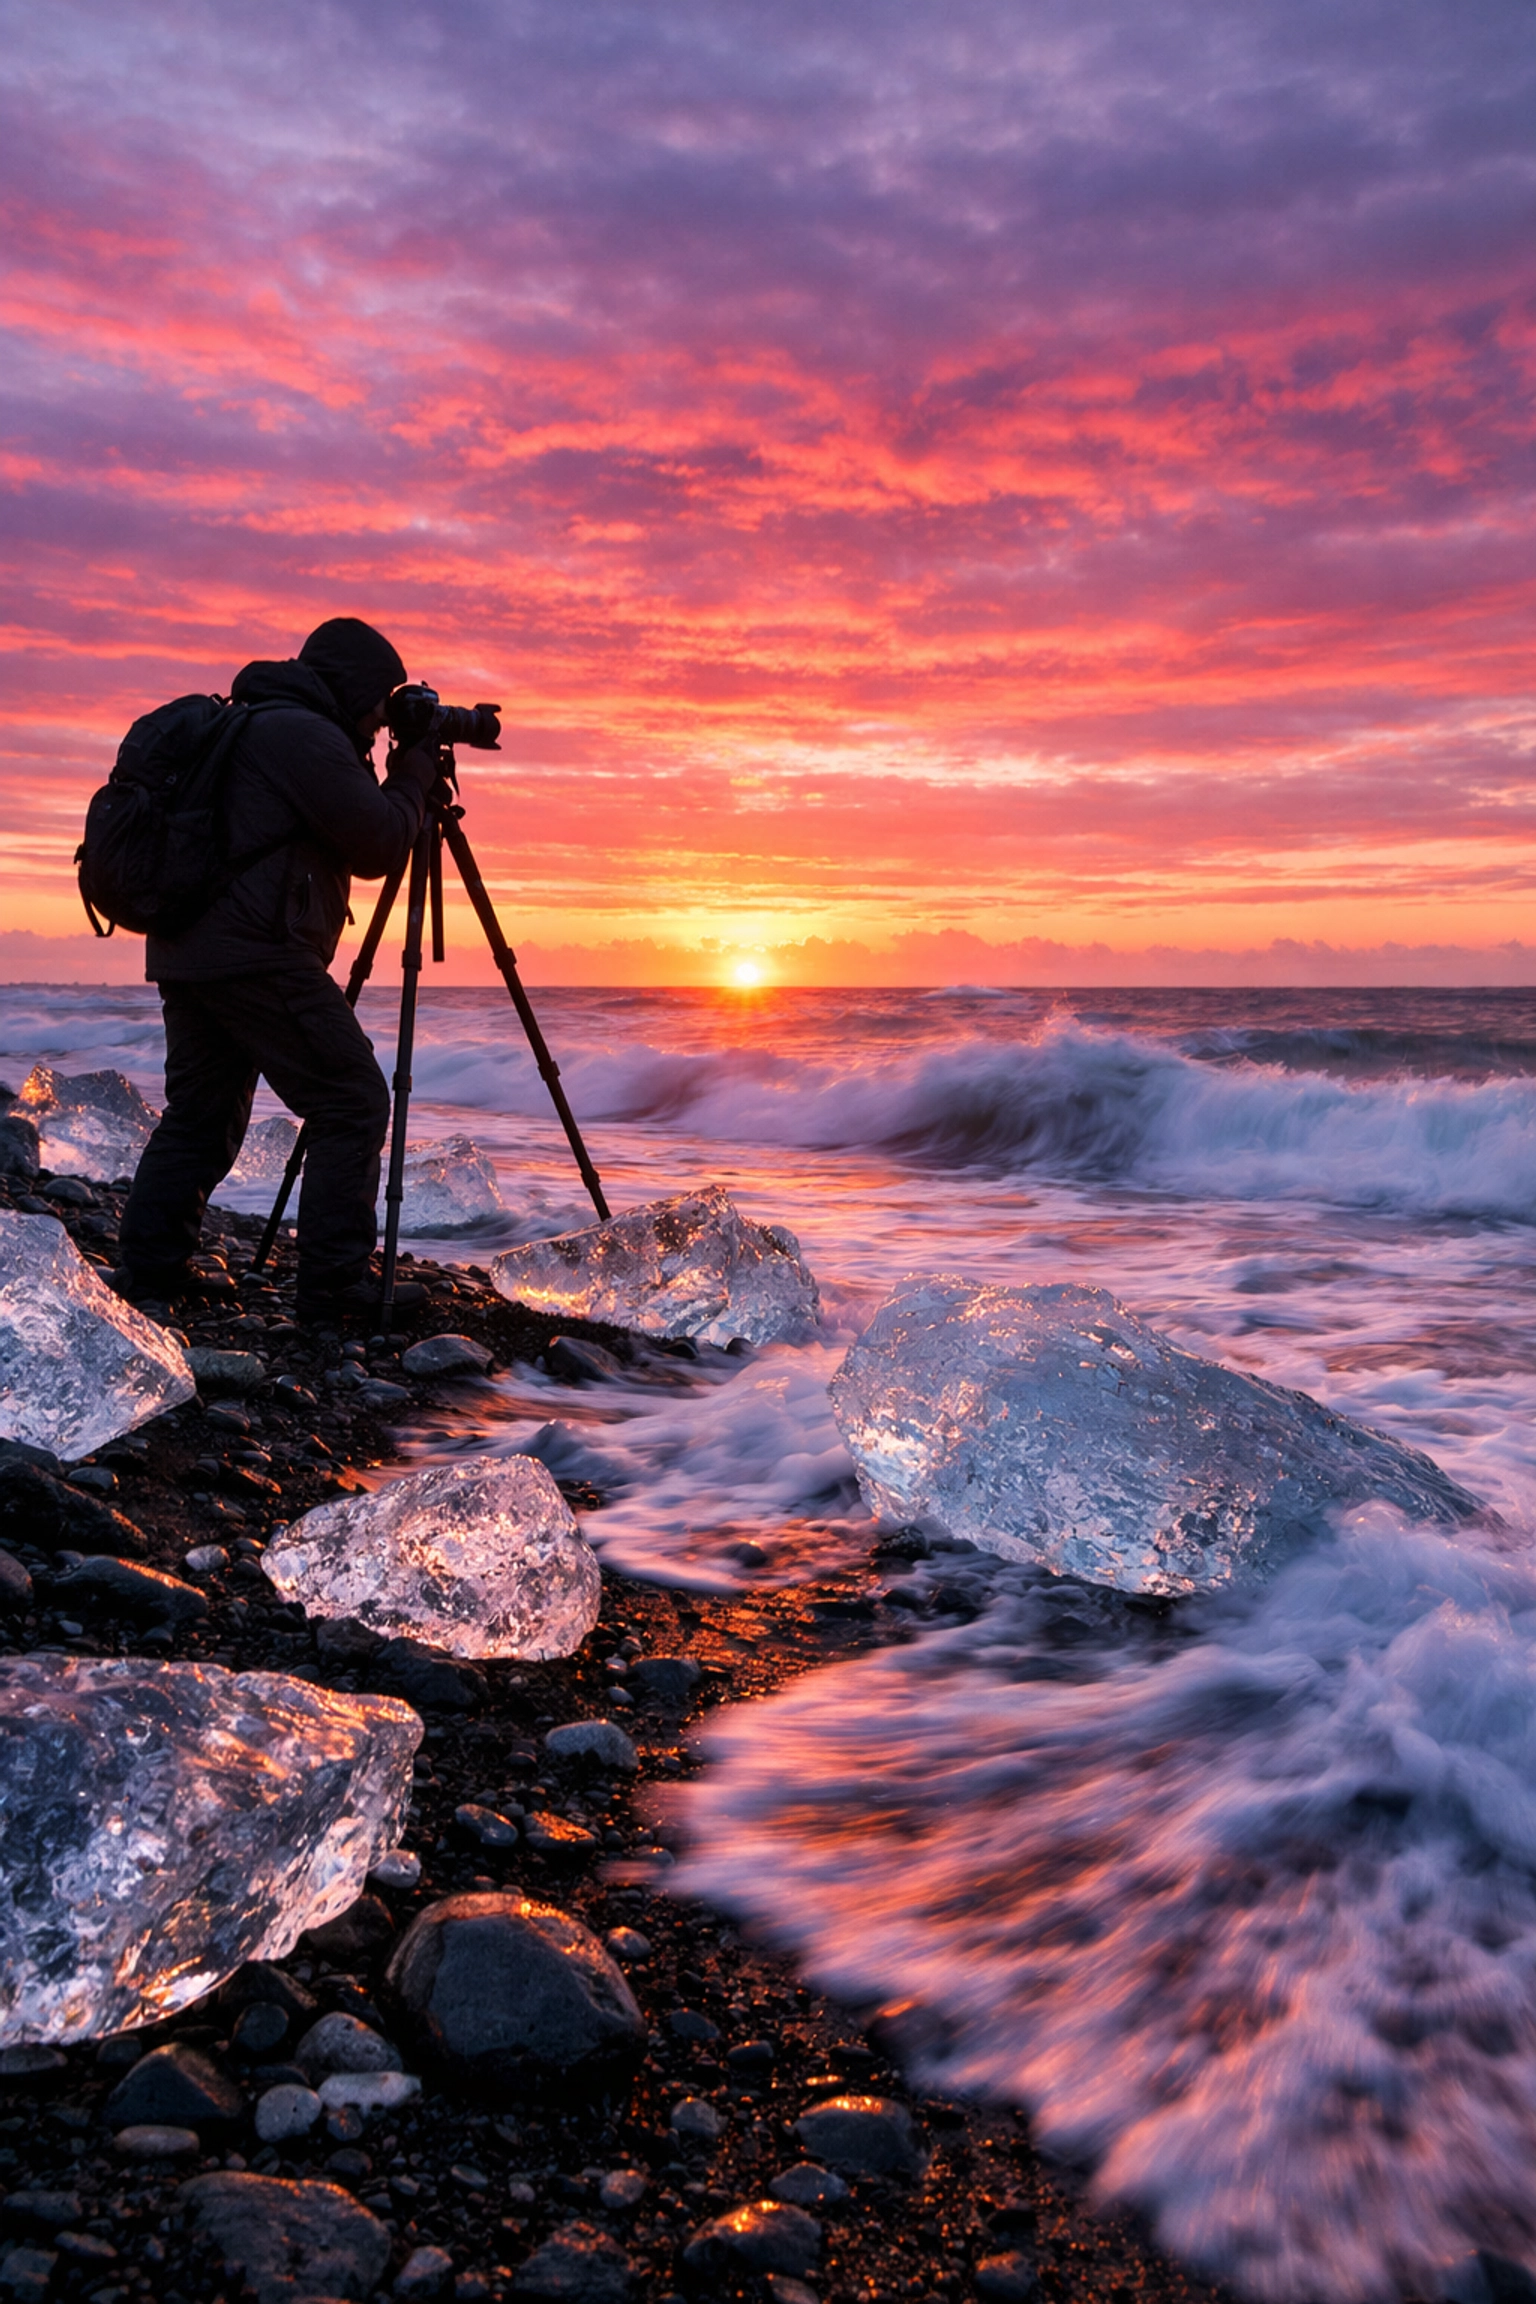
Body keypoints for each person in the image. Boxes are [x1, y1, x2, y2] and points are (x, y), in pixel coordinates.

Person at [115, 617, 439, 1323]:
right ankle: (334, 1294)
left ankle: (149, 1273)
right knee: (350, 1098)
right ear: (352, 684)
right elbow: (381, 843)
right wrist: (413, 776)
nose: (382, 718)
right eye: (381, 698)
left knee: (200, 1116)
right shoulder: (302, 735)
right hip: (256, 950)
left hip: (192, 948)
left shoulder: (257, 721)